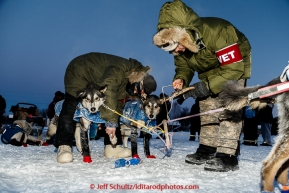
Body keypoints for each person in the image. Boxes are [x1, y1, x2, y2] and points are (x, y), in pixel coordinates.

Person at [153, 0, 251, 172]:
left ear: (185, 34)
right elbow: (184, 66)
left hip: (234, 66)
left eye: (177, 46)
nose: (176, 52)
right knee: (206, 107)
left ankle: (227, 155)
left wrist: (205, 86)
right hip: (208, 69)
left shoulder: (218, 31)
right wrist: (182, 78)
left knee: (229, 108)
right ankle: (207, 149)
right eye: (171, 50)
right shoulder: (179, 48)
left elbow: (233, 68)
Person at [55, 52, 156, 163]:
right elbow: (109, 92)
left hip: (97, 78)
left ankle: (112, 147)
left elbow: (116, 106)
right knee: (71, 104)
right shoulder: (120, 70)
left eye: (138, 93)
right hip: (79, 70)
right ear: (138, 80)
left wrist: (112, 123)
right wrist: (111, 123)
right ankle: (64, 146)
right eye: (137, 89)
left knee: (115, 109)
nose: (135, 92)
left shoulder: (129, 81)